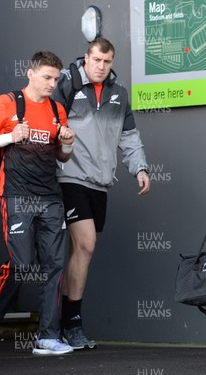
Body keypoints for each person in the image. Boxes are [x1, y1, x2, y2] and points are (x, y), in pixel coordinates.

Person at [52, 37, 150, 349]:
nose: (101, 67)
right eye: (96, 60)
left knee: (77, 253)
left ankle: (62, 322)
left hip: (100, 182)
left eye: (107, 62)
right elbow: (49, 122)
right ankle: (72, 322)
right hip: (69, 178)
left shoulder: (119, 94)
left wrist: (141, 168)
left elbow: (130, 137)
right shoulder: (66, 84)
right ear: (86, 57)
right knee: (86, 245)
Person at [0, 51, 76, 355]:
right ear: (30, 73)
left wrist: (67, 143)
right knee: (21, 265)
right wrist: (9, 136)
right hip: (16, 195)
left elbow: (62, 157)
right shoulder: (7, 103)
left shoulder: (57, 109)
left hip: (50, 197)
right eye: (47, 77)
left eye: (56, 78)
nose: (52, 83)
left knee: (55, 265)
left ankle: (48, 336)